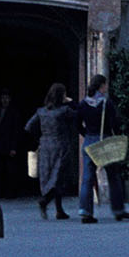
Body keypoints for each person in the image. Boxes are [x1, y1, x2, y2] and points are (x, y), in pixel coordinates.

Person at [75, 73, 129, 223]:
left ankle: (85, 210)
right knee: (113, 175)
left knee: (87, 177)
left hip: (89, 141)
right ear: (102, 86)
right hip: (105, 141)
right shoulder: (106, 103)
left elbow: (77, 124)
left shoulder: (83, 103)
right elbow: (115, 122)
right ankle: (118, 209)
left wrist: (87, 134)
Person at [25, 82, 77, 220]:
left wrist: (41, 137)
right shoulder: (64, 111)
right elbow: (78, 115)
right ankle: (45, 201)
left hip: (45, 147)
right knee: (58, 177)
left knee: (51, 177)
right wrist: (71, 102)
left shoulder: (41, 111)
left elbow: (28, 126)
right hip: (60, 146)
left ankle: (59, 210)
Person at [0, 88, 23, 198]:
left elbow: (16, 131)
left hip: (9, 146)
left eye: (6, 98)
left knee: (10, 171)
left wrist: (14, 147)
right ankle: (0, 191)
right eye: (3, 98)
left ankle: (11, 192)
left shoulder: (14, 113)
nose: (4, 100)